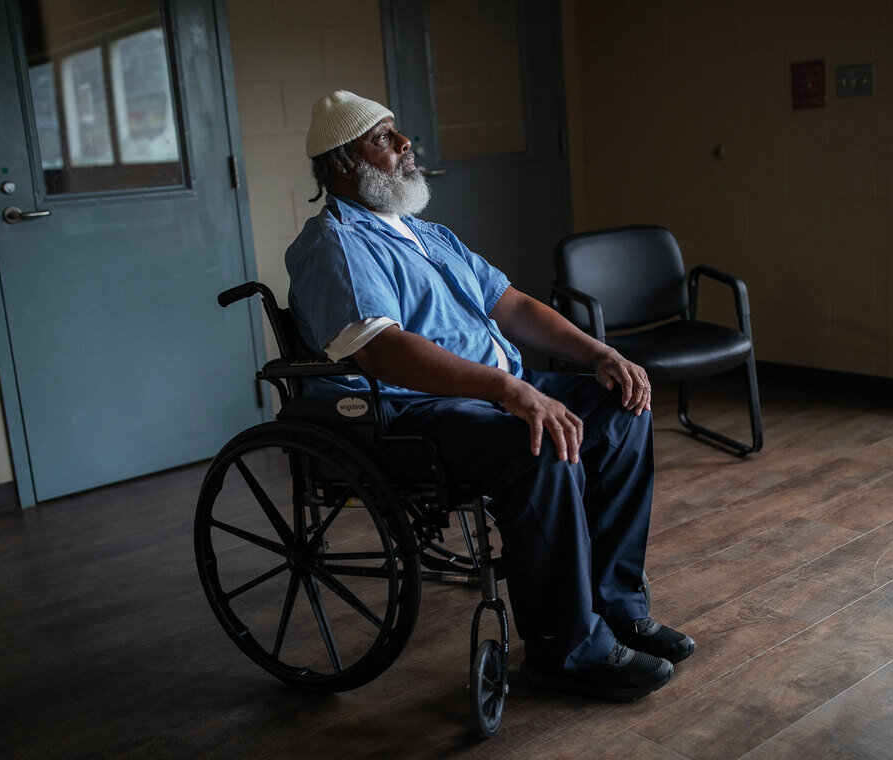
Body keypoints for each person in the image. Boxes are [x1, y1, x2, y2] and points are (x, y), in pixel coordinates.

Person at [285, 90, 695, 701]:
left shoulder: (428, 235)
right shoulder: (336, 245)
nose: (404, 146)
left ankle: (614, 606)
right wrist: (507, 389)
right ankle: (564, 648)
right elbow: (383, 352)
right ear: (343, 163)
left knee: (621, 408)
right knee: (540, 442)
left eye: (399, 133)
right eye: (382, 138)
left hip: (490, 393)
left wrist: (599, 353)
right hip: (408, 414)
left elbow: (515, 306)